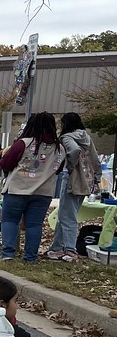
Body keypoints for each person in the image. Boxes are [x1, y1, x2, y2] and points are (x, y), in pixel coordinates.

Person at [0, 112, 63, 262]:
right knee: (34, 225)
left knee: (10, 220)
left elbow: (6, 163)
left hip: (17, 188)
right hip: (43, 191)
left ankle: (8, 254)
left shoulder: (24, 143)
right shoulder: (59, 148)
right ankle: (30, 257)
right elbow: (58, 168)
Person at [46, 112, 103, 262]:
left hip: (72, 179)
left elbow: (74, 151)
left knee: (67, 216)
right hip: (87, 180)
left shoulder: (67, 138)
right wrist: (97, 177)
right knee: (66, 214)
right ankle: (57, 247)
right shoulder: (86, 137)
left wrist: (70, 167)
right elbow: (95, 158)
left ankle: (70, 250)